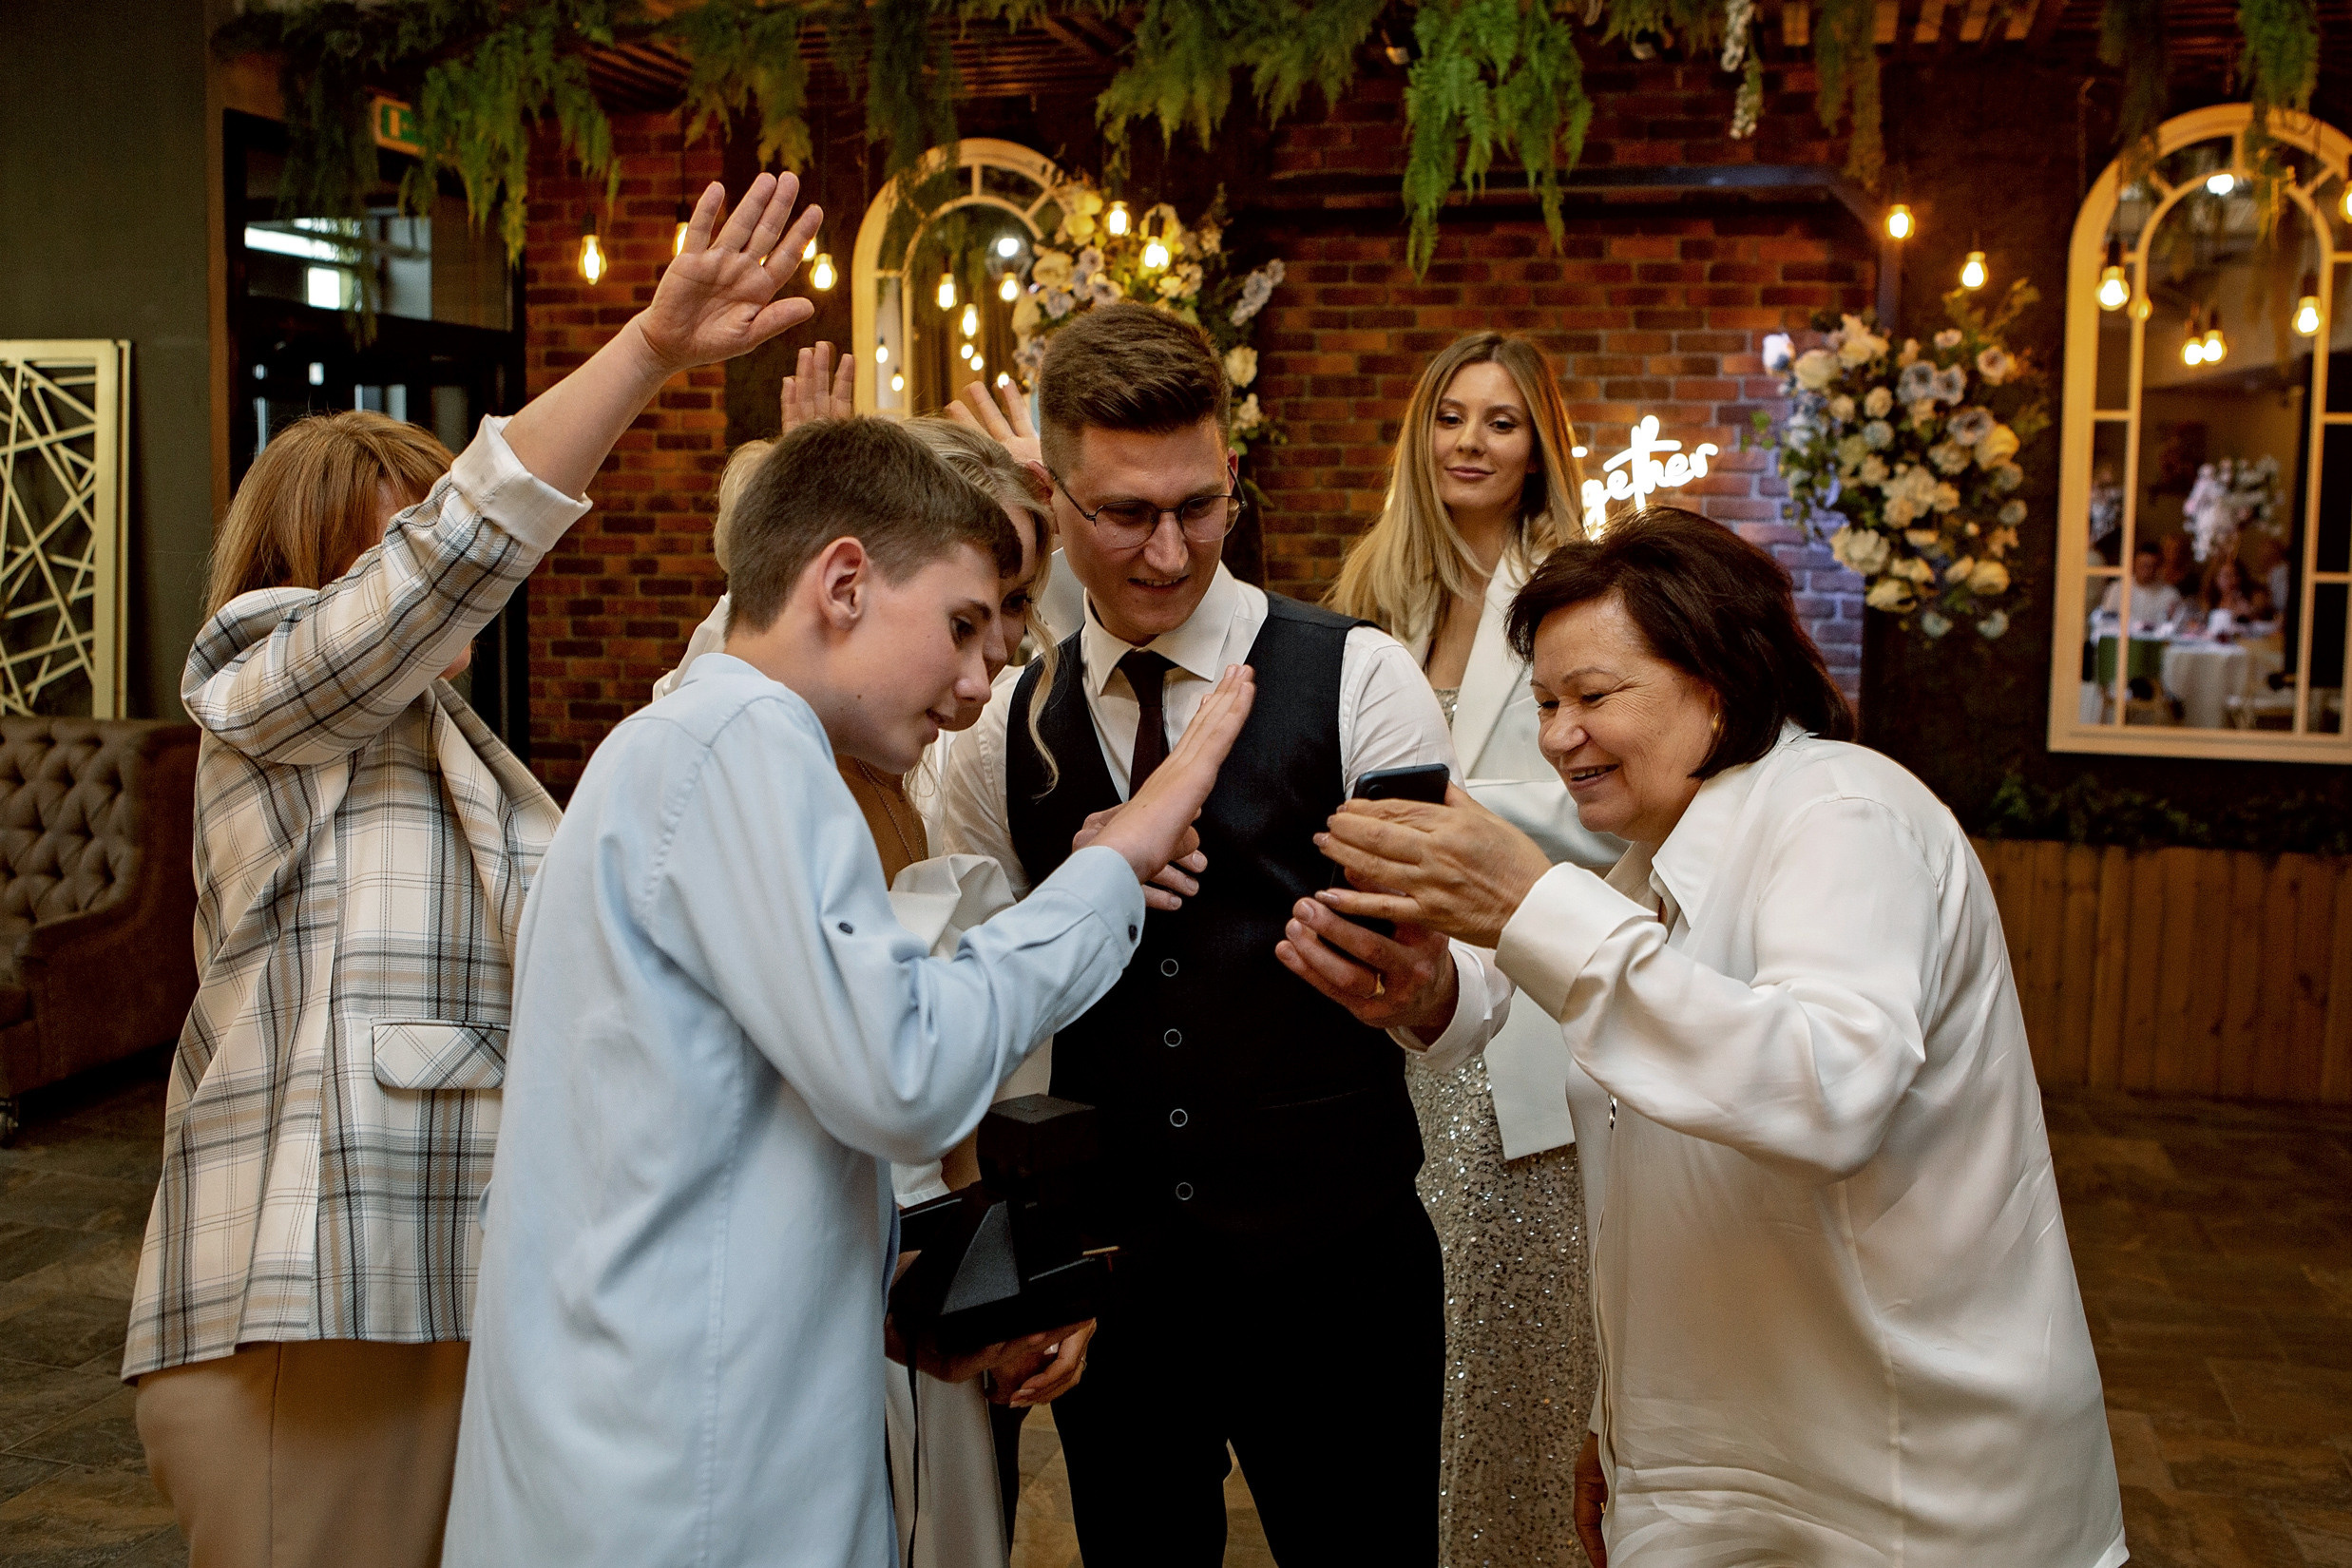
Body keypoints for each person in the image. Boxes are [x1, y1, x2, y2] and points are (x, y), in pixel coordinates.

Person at [123, 172, 826, 1568]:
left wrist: (797, 548)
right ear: (322, 571)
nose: (443, 576)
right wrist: (649, 349)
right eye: (397, 545)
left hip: (459, 1294)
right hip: (306, 1305)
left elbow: (671, 758)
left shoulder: (456, 748)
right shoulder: (257, 696)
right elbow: (458, 555)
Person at [442, 415, 1255, 1567]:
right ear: (843, 582)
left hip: (671, 1411)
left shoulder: (686, 744)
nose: (981, 677)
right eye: (962, 626)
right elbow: (902, 1073)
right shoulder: (742, 742)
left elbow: (716, 1130)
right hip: (688, 1467)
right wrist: (1110, 870)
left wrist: (894, 1303)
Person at [1317, 507, 2126, 1568]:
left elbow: (1825, 1089)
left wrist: (1529, 903)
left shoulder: (1841, 811)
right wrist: (1627, 1428)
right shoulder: (1654, 870)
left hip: (1905, 1479)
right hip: (1719, 1465)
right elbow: (1648, 1179)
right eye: (1550, 702)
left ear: (1721, 678)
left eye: (1595, 697)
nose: (1559, 736)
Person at [938, 301, 1513, 1566]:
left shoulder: (1357, 677)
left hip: (1338, 1266)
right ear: (1053, 488)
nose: (1165, 551)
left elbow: (1477, 986)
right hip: (1116, 1278)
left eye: (1199, 507)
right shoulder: (1000, 723)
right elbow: (979, 991)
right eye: (1123, 513)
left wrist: (1420, 994)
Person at [655, 349, 1090, 1566]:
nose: (987, 663)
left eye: (1009, 616)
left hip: (943, 1221)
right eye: (965, 616)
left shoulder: (907, 765)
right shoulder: (759, 759)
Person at [1327, 331, 1616, 1566]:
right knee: (1386, 1362)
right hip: (1378, 1018)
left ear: (1536, 445)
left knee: (1511, 1364)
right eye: (1450, 415)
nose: (1469, 441)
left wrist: (1453, 826)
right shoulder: (1361, 592)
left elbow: (1609, 806)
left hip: (1522, 1022)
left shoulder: (1573, 593)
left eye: (1499, 421)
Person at [2099, 538, 2184, 630]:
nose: (2147, 571)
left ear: (2158, 566)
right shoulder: (2117, 589)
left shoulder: (2170, 595)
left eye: (2151, 566)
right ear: (2135, 563)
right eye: (2143, 566)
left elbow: (2174, 627)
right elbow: (2105, 621)